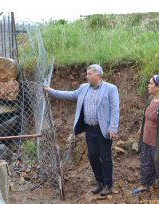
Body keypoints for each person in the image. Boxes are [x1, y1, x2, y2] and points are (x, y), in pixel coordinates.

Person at [44, 64, 119, 196]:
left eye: (89, 74)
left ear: (98, 74)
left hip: (104, 130)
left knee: (105, 157)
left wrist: (113, 127)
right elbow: (70, 95)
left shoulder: (110, 89)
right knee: (92, 156)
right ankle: (99, 182)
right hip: (89, 129)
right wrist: (52, 91)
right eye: (87, 74)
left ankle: (108, 185)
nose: (87, 76)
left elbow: (115, 109)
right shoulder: (84, 88)